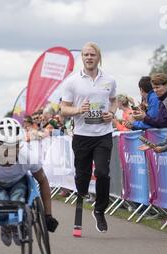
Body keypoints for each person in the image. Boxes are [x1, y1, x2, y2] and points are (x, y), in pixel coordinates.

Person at [60, 41, 117, 233]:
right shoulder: (72, 81)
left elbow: (114, 100)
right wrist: (78, 110)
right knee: (82, 176)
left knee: (102, 172)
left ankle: (99, 210)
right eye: (86, 55)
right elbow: (63, 109)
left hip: (103, 133)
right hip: (82, 135)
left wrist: (112, 113)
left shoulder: (109, 80)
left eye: (92, 55)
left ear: (98, 57)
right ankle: (82, 193)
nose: (89, 58)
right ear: (82, 58)